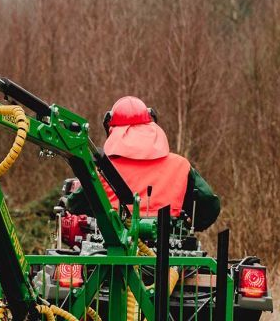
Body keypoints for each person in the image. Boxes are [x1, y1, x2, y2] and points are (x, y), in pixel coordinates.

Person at [68, 96, 220, 230]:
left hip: (112, 250)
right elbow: (209, 205)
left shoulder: (102, 168)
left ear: (111, 128)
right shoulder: (180, 166)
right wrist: (188, 223)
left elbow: (75, 206)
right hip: (169, 252)